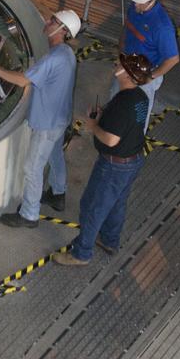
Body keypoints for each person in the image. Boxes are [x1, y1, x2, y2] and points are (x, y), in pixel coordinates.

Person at [0, 8, 81, 228]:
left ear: (62, 30)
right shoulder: (67, 54)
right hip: (60, 118)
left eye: (53, 20)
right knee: (55, 157)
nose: (48, 21)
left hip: (46, 124)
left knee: (32, 168)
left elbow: (22, 81)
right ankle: (58, 193)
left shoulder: (53, 58)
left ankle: (29, 214)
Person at [53, 52, 151, 266]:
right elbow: (127, 121)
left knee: (92, 206)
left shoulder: (123, 103)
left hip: (114, 165)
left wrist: (93, 125)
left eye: (121, 64)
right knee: (116, 203)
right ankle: (109, 240)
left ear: (128, 74)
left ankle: (81, 253)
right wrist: (104, 114)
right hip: (132, 161)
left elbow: (110, 139)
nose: (116, 64)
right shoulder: (139, 97)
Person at [116, 0, 180, 125]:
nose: (135, 4)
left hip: (144, 74)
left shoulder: (162, 26)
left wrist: (149, 78)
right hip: (126, 65)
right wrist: (120, 52)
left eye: (139, 2)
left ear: (152, 1)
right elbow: (127, 27)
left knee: (137, 119)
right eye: (135, 1)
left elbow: (173, 59)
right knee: (117, 104)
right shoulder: (135, 7)